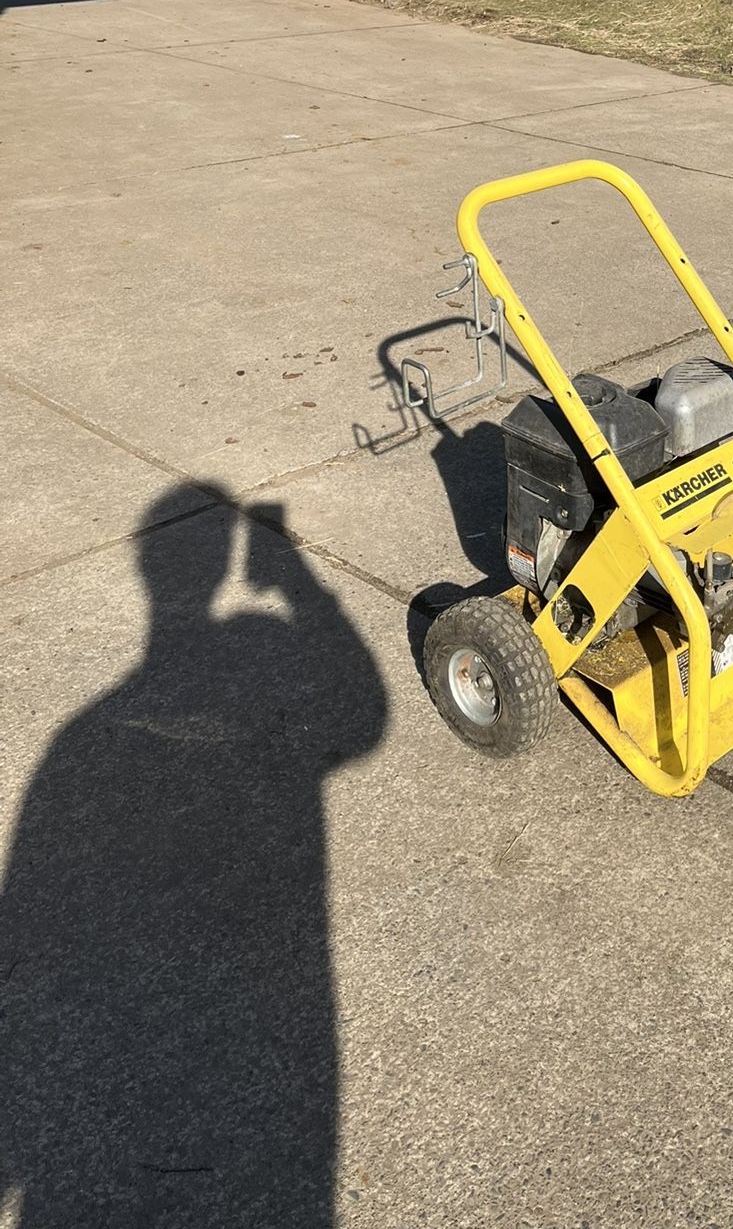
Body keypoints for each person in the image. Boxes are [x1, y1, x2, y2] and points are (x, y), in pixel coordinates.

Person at [0, 489, 387, 1228]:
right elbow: (363, 721)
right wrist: (303, 585)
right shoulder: (86, 741)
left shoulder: (75, 744)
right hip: (279, 1070)